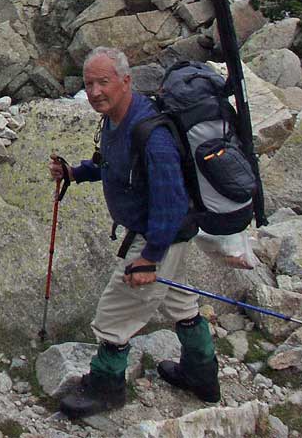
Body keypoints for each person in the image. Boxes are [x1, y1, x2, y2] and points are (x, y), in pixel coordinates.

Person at [49, 46, 219, 419]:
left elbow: (172, 203)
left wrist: (149, 257)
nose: (94, 91)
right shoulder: (114, 120)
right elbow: (113, 166)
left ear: (126, 81)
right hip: (161, 235)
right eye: (89, 83)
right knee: (180, 303)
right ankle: (202, 376)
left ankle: (106, 389)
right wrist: (77, 172)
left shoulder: (151, 135)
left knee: (114, 313)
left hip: (160, 236)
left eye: (103, 82)